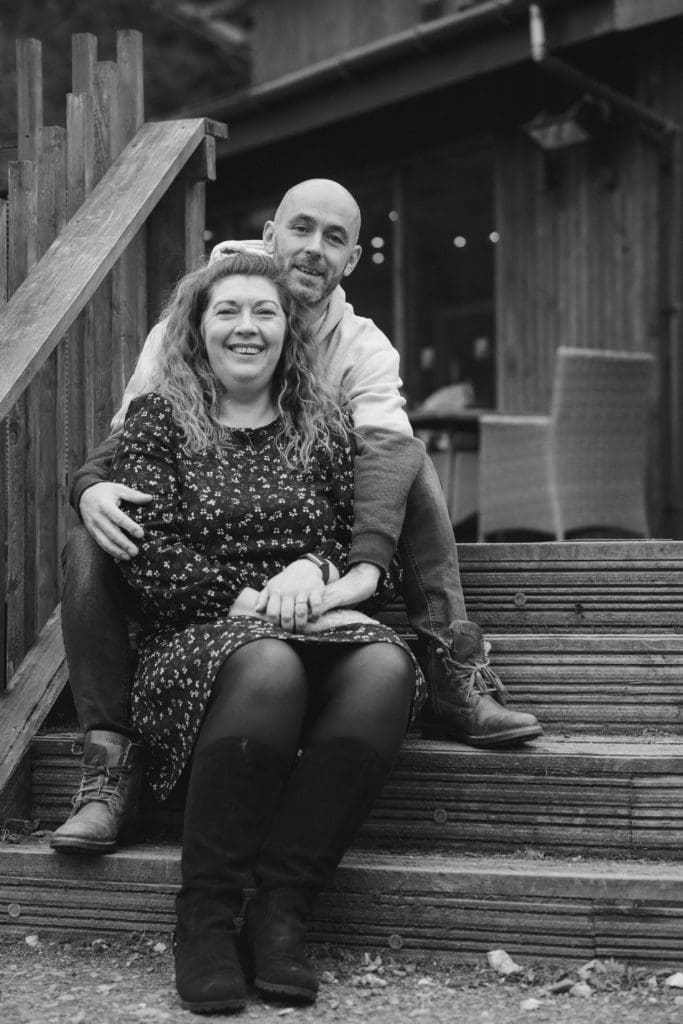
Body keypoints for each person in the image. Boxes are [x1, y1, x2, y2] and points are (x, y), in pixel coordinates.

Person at [51, 178, 541, 856]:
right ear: (271, 233)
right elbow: (134, 435)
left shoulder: (361, 344)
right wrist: (86, 487)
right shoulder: (195, 318)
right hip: (197, 558)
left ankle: (447, 666)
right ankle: (109, 759)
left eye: (333, 238)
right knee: (90, 531)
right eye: (301, 229)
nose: (313, 249)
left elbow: (383, 453)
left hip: (310, 545)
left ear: (352, 259)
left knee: (408, 459)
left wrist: (358, 567)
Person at [109, 251, 422, 1012]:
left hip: (305, 622)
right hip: (196, 637)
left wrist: (314, 568)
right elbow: (146, 554)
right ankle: (207, 918)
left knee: (385, 667)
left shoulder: (319, 421)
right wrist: (252, 599)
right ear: (197, 328)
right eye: (227, 311)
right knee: (269, 664)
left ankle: (281, 909)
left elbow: (358, 540)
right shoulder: (158, 420)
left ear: (288, 330)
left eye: (264, 312)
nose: (246, 327)